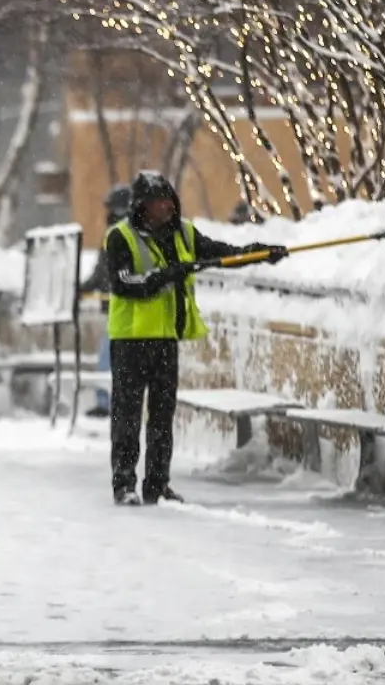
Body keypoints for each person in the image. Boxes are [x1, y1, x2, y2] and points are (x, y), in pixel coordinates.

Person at [105, 170, 287, 506]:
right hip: (130, 342)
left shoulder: (184, 234)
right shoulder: (121, 237)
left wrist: (258, 253)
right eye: (160, 201)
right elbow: (123, 284)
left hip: (165, 342)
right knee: (127, 417)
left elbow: (221, 253)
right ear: (143, 205)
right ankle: (124, 484)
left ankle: (157, 485)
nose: (168, 207)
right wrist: (161, 276)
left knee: (162, 417)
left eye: (170, 200)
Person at [78, 183, 132, 416]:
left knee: (111, 357)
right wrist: (82, 288)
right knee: (109, 356)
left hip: (126, 309)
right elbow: (101, 273)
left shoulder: (127, 236)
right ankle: (108, 401)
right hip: (114, 308)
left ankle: (110, 403)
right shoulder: (112, 236)